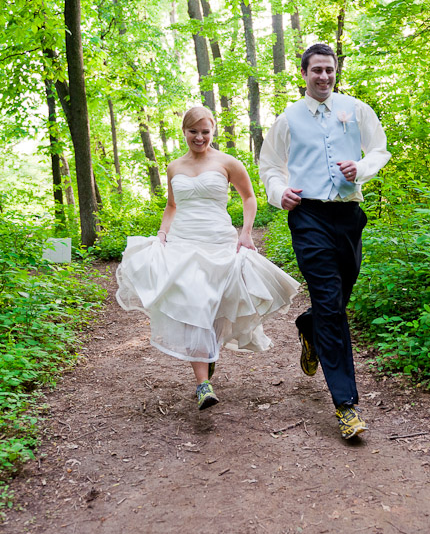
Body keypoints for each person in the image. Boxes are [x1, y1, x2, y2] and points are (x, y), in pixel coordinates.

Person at [116, 106, 300, 410]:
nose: (199, 137)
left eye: (205, 131)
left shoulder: (228, 162)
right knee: (195, 304)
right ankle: (203, 384)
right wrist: (162, 233)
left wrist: (246, 233)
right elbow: (172, 206)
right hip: (183, 244)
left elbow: (249, 197)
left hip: (219, 242)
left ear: (212, 131)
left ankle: (207, 354)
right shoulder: (174, 167)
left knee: (214, 306)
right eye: (193, 131)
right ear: (184, 132)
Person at [259, 43, 391, 440]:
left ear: (336, 72)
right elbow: (269, 166)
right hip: (308, 215)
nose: (323, 77)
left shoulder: (356, 109)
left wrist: (362, 168)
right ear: (304, 73)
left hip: (348, 214)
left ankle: (308, 325)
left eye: (329, 70)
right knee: (331, 303)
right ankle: (346, 405)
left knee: (336, 299)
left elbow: (380, 150)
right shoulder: (288, 119)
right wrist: (278, 191)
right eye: (316, 70)